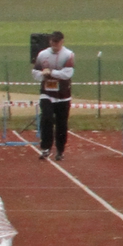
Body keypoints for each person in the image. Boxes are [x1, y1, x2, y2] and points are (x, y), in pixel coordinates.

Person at [32, 31, 75, 160]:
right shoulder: (42, 54)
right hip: (47, 93)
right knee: (47, 118)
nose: (54, 44)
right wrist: (42, 75)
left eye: (57, 42)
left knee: (62, 123)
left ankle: (60, 150)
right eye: (52, 42)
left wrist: (51, 72)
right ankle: (45, 147)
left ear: (62, 41)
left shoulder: (68, 55)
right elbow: (35, 72)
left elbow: (67, 73)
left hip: (63, 95)